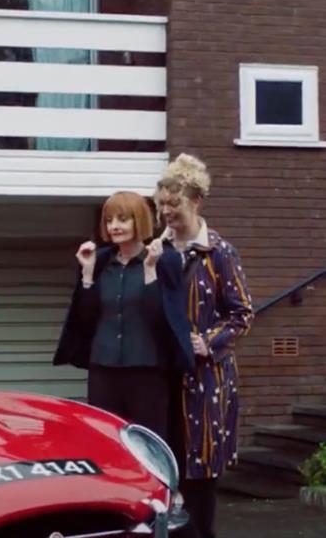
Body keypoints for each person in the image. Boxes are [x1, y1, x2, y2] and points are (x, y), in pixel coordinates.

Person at [155, 154, 253, 538]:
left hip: (206, 381)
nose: (165, 211)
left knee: (201, 473)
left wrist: (206, 342)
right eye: (161, 203)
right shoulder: (156, 251)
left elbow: (242, 314)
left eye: (173, 203)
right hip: (162, 377)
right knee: (166, 467)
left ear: (195, 200)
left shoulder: (219, 253)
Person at [54, 191, 194, 441]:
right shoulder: (102, 260)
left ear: (138, 220)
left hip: (147, 371)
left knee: (148, 442)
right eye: (109, 221)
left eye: (122, 219)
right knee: (105, 439)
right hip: (103, 369)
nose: (114, 226)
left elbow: (162, 321)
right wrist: (87, 273)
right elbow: (86, 318)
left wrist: (150, 270)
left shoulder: (165, 259)